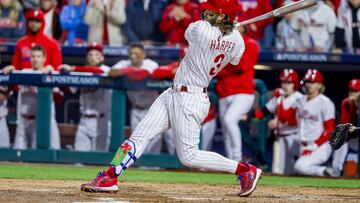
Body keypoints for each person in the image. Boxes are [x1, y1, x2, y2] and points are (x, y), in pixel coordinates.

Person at [81, 0, 262, 197]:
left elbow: (195, 31)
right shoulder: (238, 40)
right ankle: (110, 176)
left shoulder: (200, 29)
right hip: (173, 93)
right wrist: (229, 32)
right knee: (140, 135)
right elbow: (234, 58)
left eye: (211, 12)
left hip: (191, 99)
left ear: (220, 16)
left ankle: (245, 170)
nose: (205, 13)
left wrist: (222, 31)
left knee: (189, 157)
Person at [109, 44, 165, 155]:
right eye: (131, 54)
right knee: (136, 143)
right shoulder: (125, 64)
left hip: (152, 110)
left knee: (153, 143)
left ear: (143, 55)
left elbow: (142, 74)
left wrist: (127, 71)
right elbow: (111, 72)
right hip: (135, 110)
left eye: (137, 54)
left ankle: (154, 169)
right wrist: (127, 69)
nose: (133, 56)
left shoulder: (151, 64)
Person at [216, 31, 259, 162]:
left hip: (243, 93)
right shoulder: (222, 43)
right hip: (224, 92)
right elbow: (215, 69)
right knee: (225, 129)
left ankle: (237, 159)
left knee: (230, 119)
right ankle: (231, 163)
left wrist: (225, 62)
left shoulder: (251, 44)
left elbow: (241, 66)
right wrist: (227, 64)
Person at [59, 43, 111, 152]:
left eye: (96, 55)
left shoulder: (107, 70)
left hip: (102, 121)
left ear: (102, 57)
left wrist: (73, 68)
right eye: (90, 55)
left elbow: (98, 72)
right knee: (78, 159)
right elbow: (70, 90)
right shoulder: (81, 71)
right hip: (84, 120)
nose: (93, 58)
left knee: (100, 160)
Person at [294, 69, 342, 177]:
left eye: (313, 82)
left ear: (320, 85)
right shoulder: (300, 100)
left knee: (299, 166)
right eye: (307, 82)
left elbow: (329, 129)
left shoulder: (325, 102)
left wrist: (314, 146)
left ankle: (326, 171)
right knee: (291, 170)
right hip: (301, 143)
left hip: (320, 145)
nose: (309, 85)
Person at [13, 45, 61, 149]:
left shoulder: (50, 74)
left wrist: (50, 76)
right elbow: (12, 85)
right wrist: (11, 69)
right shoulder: (24, 73)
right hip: (24, 120)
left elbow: (58, 97)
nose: (35, 59)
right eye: (33, 56)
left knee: (42, 156)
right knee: (18, 155)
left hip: (42, 121)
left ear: (44, 58)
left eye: (39, 56)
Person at [256, 69, 302, 175]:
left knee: (301, 168)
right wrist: (249, 115)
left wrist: (279, 123)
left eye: (289, 82)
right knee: (280, 172)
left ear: (294, 84)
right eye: (283, 82)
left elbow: (296, 119)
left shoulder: (299, 98)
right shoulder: (279, 98)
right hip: (280, 138)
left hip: (295, 138)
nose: (285, 85)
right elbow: (264, 111)